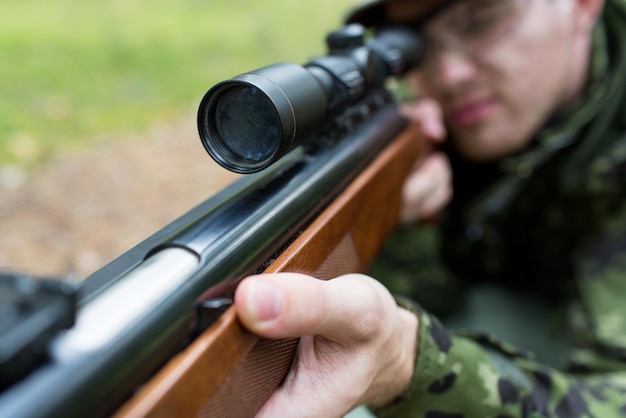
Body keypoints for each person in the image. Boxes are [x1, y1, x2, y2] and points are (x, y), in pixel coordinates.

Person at [235, 0, 626, 416]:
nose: (449, 75)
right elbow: (438, 296)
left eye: (482, 20)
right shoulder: (429, 127)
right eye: (417, 45)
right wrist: (401, 224)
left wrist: (408, 365)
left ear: (583, 6)